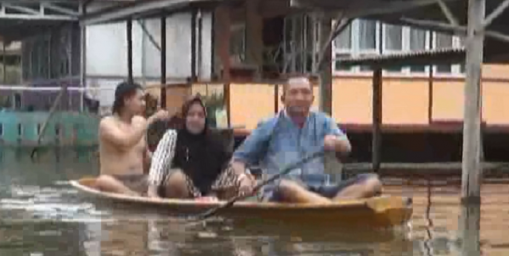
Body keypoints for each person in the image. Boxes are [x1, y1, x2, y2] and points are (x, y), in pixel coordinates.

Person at [232, 76, 382, 204]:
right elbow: (238, 160)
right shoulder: (268, 126)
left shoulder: (324, 122)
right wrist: (243, 178)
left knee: (372, 182)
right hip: (284, 193)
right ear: (283, 99)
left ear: (312, 99)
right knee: (286, 186)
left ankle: (327, 208)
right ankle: (333, 208)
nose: (300, 97)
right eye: (294, 93)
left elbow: (346, 148)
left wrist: (337, 144)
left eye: (305, 93)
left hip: (320, 190)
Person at [147, 95, 241, 201]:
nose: (196, 119)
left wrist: (244, 178)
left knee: (237, 174)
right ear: (184, 117)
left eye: (200, 115)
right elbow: (159, 163)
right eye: (191, 114)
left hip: (213, 193)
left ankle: (221, 210)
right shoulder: (173, 136)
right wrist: (152, 192)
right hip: (186, 192)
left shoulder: (216, 140)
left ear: (205, 118)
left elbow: (229, 164)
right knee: (176, 179)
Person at [94, 81, 169, 196]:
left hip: (139, 180)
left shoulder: (140, 122)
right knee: (102, 181)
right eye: (140, 99)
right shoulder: (107, 123)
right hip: (115, 182)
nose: (144, 104)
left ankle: (149, 195)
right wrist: (152, 120)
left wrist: (164, 161)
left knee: (169, 179)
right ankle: (133, 195)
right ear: (126, 100)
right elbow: (125, 143)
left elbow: (146, 157)